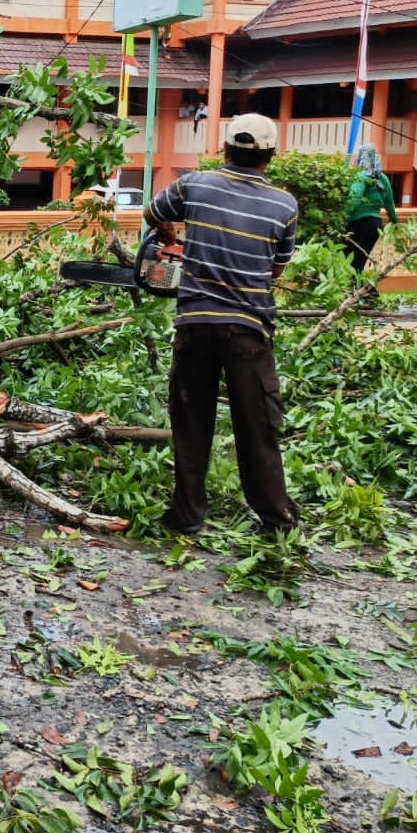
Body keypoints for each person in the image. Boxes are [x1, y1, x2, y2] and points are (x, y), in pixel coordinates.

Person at [146, 112, 300, 538]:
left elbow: (151, 211)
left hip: (195, 323)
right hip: (249, 329)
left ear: (225, 149)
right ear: (270, 155)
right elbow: (275, 271)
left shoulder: (194, 184)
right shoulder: (285, 206)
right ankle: (276, 520)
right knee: (257, 426)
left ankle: (187, 516)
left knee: (191, 423)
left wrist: (171, 236)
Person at [343, 145, 398, 272]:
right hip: (375, 225)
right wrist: (394, 222)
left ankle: (356, 290)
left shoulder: (360, 176)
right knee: (360, 260)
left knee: (348, 259)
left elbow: (354, 199)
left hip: (358, 223)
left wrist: (342, 217)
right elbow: (390, 203)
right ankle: (363, 290)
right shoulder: (383, 178)